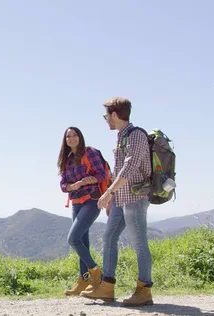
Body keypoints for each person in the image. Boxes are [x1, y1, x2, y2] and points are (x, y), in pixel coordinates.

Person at [80, 97, 154, 306]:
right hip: (122, 199)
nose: (105, 120)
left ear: (115, 114)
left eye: (106, 115)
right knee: (109, 237)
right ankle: (107, 286)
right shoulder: (122, 137)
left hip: (136, 198)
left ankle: (144, 289)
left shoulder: (136, 135)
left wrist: (109, 193)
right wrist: (114, 196)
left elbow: (129, 169)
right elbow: (119, 170)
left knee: (139, 244)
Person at [58, 127, 106, 296]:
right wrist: (73, 185)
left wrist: (87, 180)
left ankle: (95, 272)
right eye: (68, 136)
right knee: (82, 242)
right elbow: (63, 185)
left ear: (80, 137)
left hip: (91, 200)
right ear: (65, 140)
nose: (71, 138)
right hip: (76, 203)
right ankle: (83, 280)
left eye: (74, 135)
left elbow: (101, 175)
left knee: (73, 238)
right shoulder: (67, 160)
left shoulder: (90, 152)